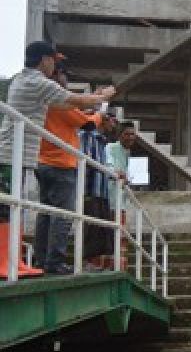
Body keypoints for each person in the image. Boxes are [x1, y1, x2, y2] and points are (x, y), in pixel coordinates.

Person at [0, 41, 114, 277]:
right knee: (42, 211)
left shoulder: (24, 80)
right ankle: (21, 262)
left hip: (32, 158)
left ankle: (17, 260)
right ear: (44, 60)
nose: (56, 68)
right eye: (55, 62)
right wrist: (103, 98)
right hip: (42, 160)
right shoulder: (40, 84)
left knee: (24, 209)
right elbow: (84, 115)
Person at [34, 64, 97, 275]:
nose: (66, 79)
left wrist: (83, 112)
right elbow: (87, 124)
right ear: (55, 76)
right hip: (61, 164)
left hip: (42, 161)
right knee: (62, 215)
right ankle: (55, 262)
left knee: (45, 214)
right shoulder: (59, 99)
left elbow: (72, 118)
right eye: (63, 74)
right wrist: (100, 115)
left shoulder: (42, 96)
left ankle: (40, 260)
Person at [80, 111, 116, 267]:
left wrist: (112, 173)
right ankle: (84, 262)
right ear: (104, 120)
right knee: (90, 228)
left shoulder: (102, 141)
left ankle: (93, 263)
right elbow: (84, 162)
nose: (114, 124)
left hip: (101, 191)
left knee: (101, 230)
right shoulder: (88, 136)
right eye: (113, 120)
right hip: (90, 190)